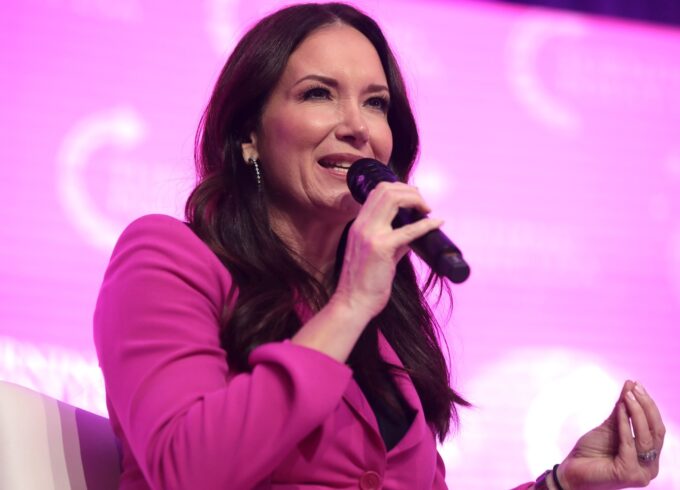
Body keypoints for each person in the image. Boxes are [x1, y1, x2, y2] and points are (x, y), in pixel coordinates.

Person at [93, 3, 665, 489]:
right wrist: (349, 304)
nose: (357, 127)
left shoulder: (383, 324)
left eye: (375, 103)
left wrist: (561, 483)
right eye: (318, 94)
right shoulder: (169, 257)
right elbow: (185, 469)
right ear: (249, 135)